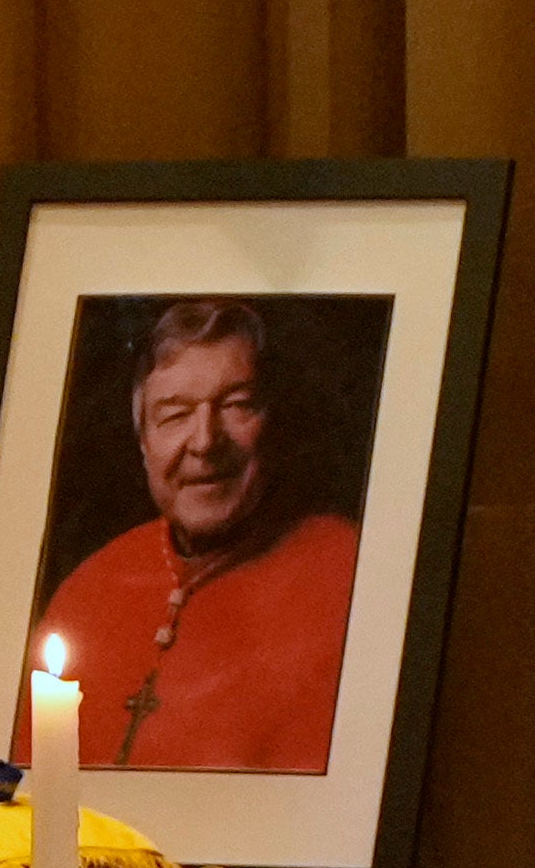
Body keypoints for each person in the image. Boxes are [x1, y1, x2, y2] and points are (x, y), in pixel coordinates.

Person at [30, 297, 362, 772]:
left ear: (272, 422)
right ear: (144, 442)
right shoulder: (89, 589)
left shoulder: (348, 576)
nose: (205, 441)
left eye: (235, 405)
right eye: (175, 414)